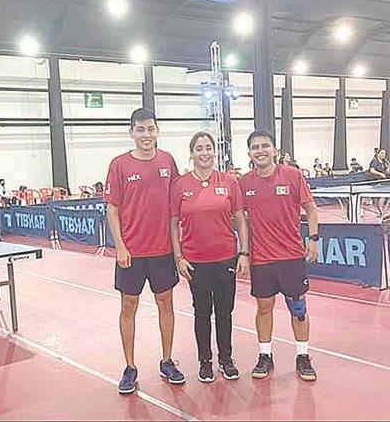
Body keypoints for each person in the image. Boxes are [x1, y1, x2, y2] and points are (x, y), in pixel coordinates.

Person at [104, 108, 185, 394]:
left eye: (150, 129)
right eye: (140, 129)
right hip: (132, 253)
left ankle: (167, 361)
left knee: (166, 305)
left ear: (157, 131)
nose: (146, 135)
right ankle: (130, 367)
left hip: (163, 251)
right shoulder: (119, 165)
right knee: (129, 307)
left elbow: (178, 202)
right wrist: (120, 246)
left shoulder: (168, 161)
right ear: (131, 133)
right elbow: (112, 209)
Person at [239, 131, 319, 382]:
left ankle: (303, 356)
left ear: (274, 150)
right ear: (249, 153)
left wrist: (313, 239)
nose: (260, 150)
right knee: (264, 307)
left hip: (291, 256)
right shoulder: (244, 183)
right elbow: (240, 220)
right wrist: (244, 253)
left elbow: (311, 209)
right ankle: (265, 355)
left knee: (298, 309)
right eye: (255, 147)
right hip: (261, 258)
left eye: (265, 146)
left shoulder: (293, 176)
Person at [170, 132, 250, 383]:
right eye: (199, 149)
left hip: (225, 258)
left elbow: (240, 219)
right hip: (196, 261)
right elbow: (173, 223)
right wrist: (178, 257)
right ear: (191, 153)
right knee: (202, 312)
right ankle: (205, 361)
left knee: (224, 312)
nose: (204, 153)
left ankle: (226, 359)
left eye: (208, 148)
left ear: (214, 152)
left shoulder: (229, 182)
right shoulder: (180, 185)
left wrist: (244, 252)